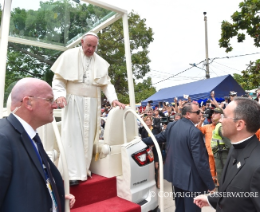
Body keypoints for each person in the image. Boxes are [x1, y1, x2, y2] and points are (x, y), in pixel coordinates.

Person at [51, 32, 125, 186]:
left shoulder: (100, 62)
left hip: (91, 104)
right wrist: (59, 95)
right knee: (72, 137)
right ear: (82, 42)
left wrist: (114, 99)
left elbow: (106, 84)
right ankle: (71, 174)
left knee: (87, 137)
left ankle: (83, 171)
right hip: (72, 102)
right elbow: (58, 79)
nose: (91, 49)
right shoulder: (68, 56)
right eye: (88, 45)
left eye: (94, 46)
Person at [194, 97, 260, 212]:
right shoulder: (235, 147)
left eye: (224, 116)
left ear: (239, 124)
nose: (221, 120)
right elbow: (237, 192)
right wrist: (211, 200)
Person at [0, 78, 75, 211]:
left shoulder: (30, 135)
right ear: (28, 102)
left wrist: (55, 200)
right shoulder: (3, 138)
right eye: (49, 100)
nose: (54, 105)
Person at [143, 102, 214, 212]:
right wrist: (210, 184)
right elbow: (200, 161)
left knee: (180, 207)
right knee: (191, 209)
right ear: (188, 114)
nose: (201, 114)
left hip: (176, 176)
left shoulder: (173, 126)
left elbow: (157, 138)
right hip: (191, 181)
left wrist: (140, 141)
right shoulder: (194, 132)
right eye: (198, 112)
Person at [197, 108, 231, 187]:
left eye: (215, 114)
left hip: (220, 152)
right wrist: (201, 121)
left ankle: (220, 184)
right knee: (212, 169)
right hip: (210, 152)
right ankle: (213, 183)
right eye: (212, 114)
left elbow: (228, 142)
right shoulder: (207, 126)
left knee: (220, 169)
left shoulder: (221, 127)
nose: (213, 116)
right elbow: (197, 131)